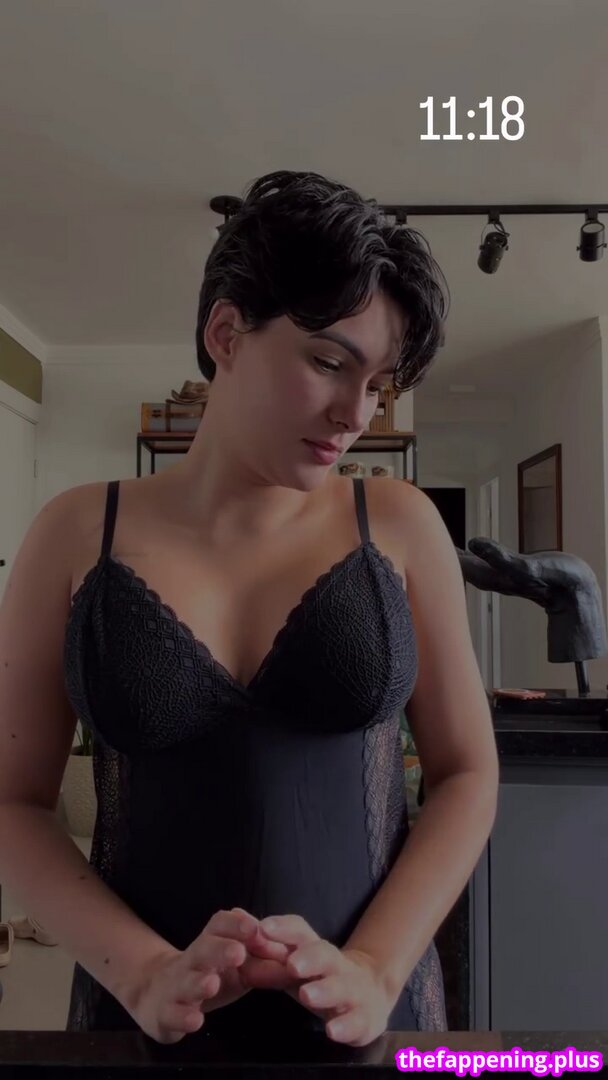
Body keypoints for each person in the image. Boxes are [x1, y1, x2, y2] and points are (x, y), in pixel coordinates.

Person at [0, 169, 499, 1047]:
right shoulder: (77, 532)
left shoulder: (397, 523)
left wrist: (376, 969)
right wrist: (144, 971)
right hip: (142, 1021)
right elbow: (13, 801)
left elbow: (465, 773)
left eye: (378, 383)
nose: (355, 413)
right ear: (226, 332)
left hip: (368, 1021)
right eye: (329, 363)